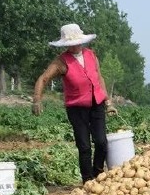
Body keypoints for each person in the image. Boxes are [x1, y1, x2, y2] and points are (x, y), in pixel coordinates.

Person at [32, 24, 117, 184]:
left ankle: (98, 174)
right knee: (84, 146)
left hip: (96, 104)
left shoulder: (91, 55)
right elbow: (43, 79)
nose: (75, 46)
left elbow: (100, 78)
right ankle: (87, 180)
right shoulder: (60, 62)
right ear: (66, 44)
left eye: (77, 42)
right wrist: (37, 99)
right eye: (71, 44)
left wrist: (108, 102)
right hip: (77, 109)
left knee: (101, 142)